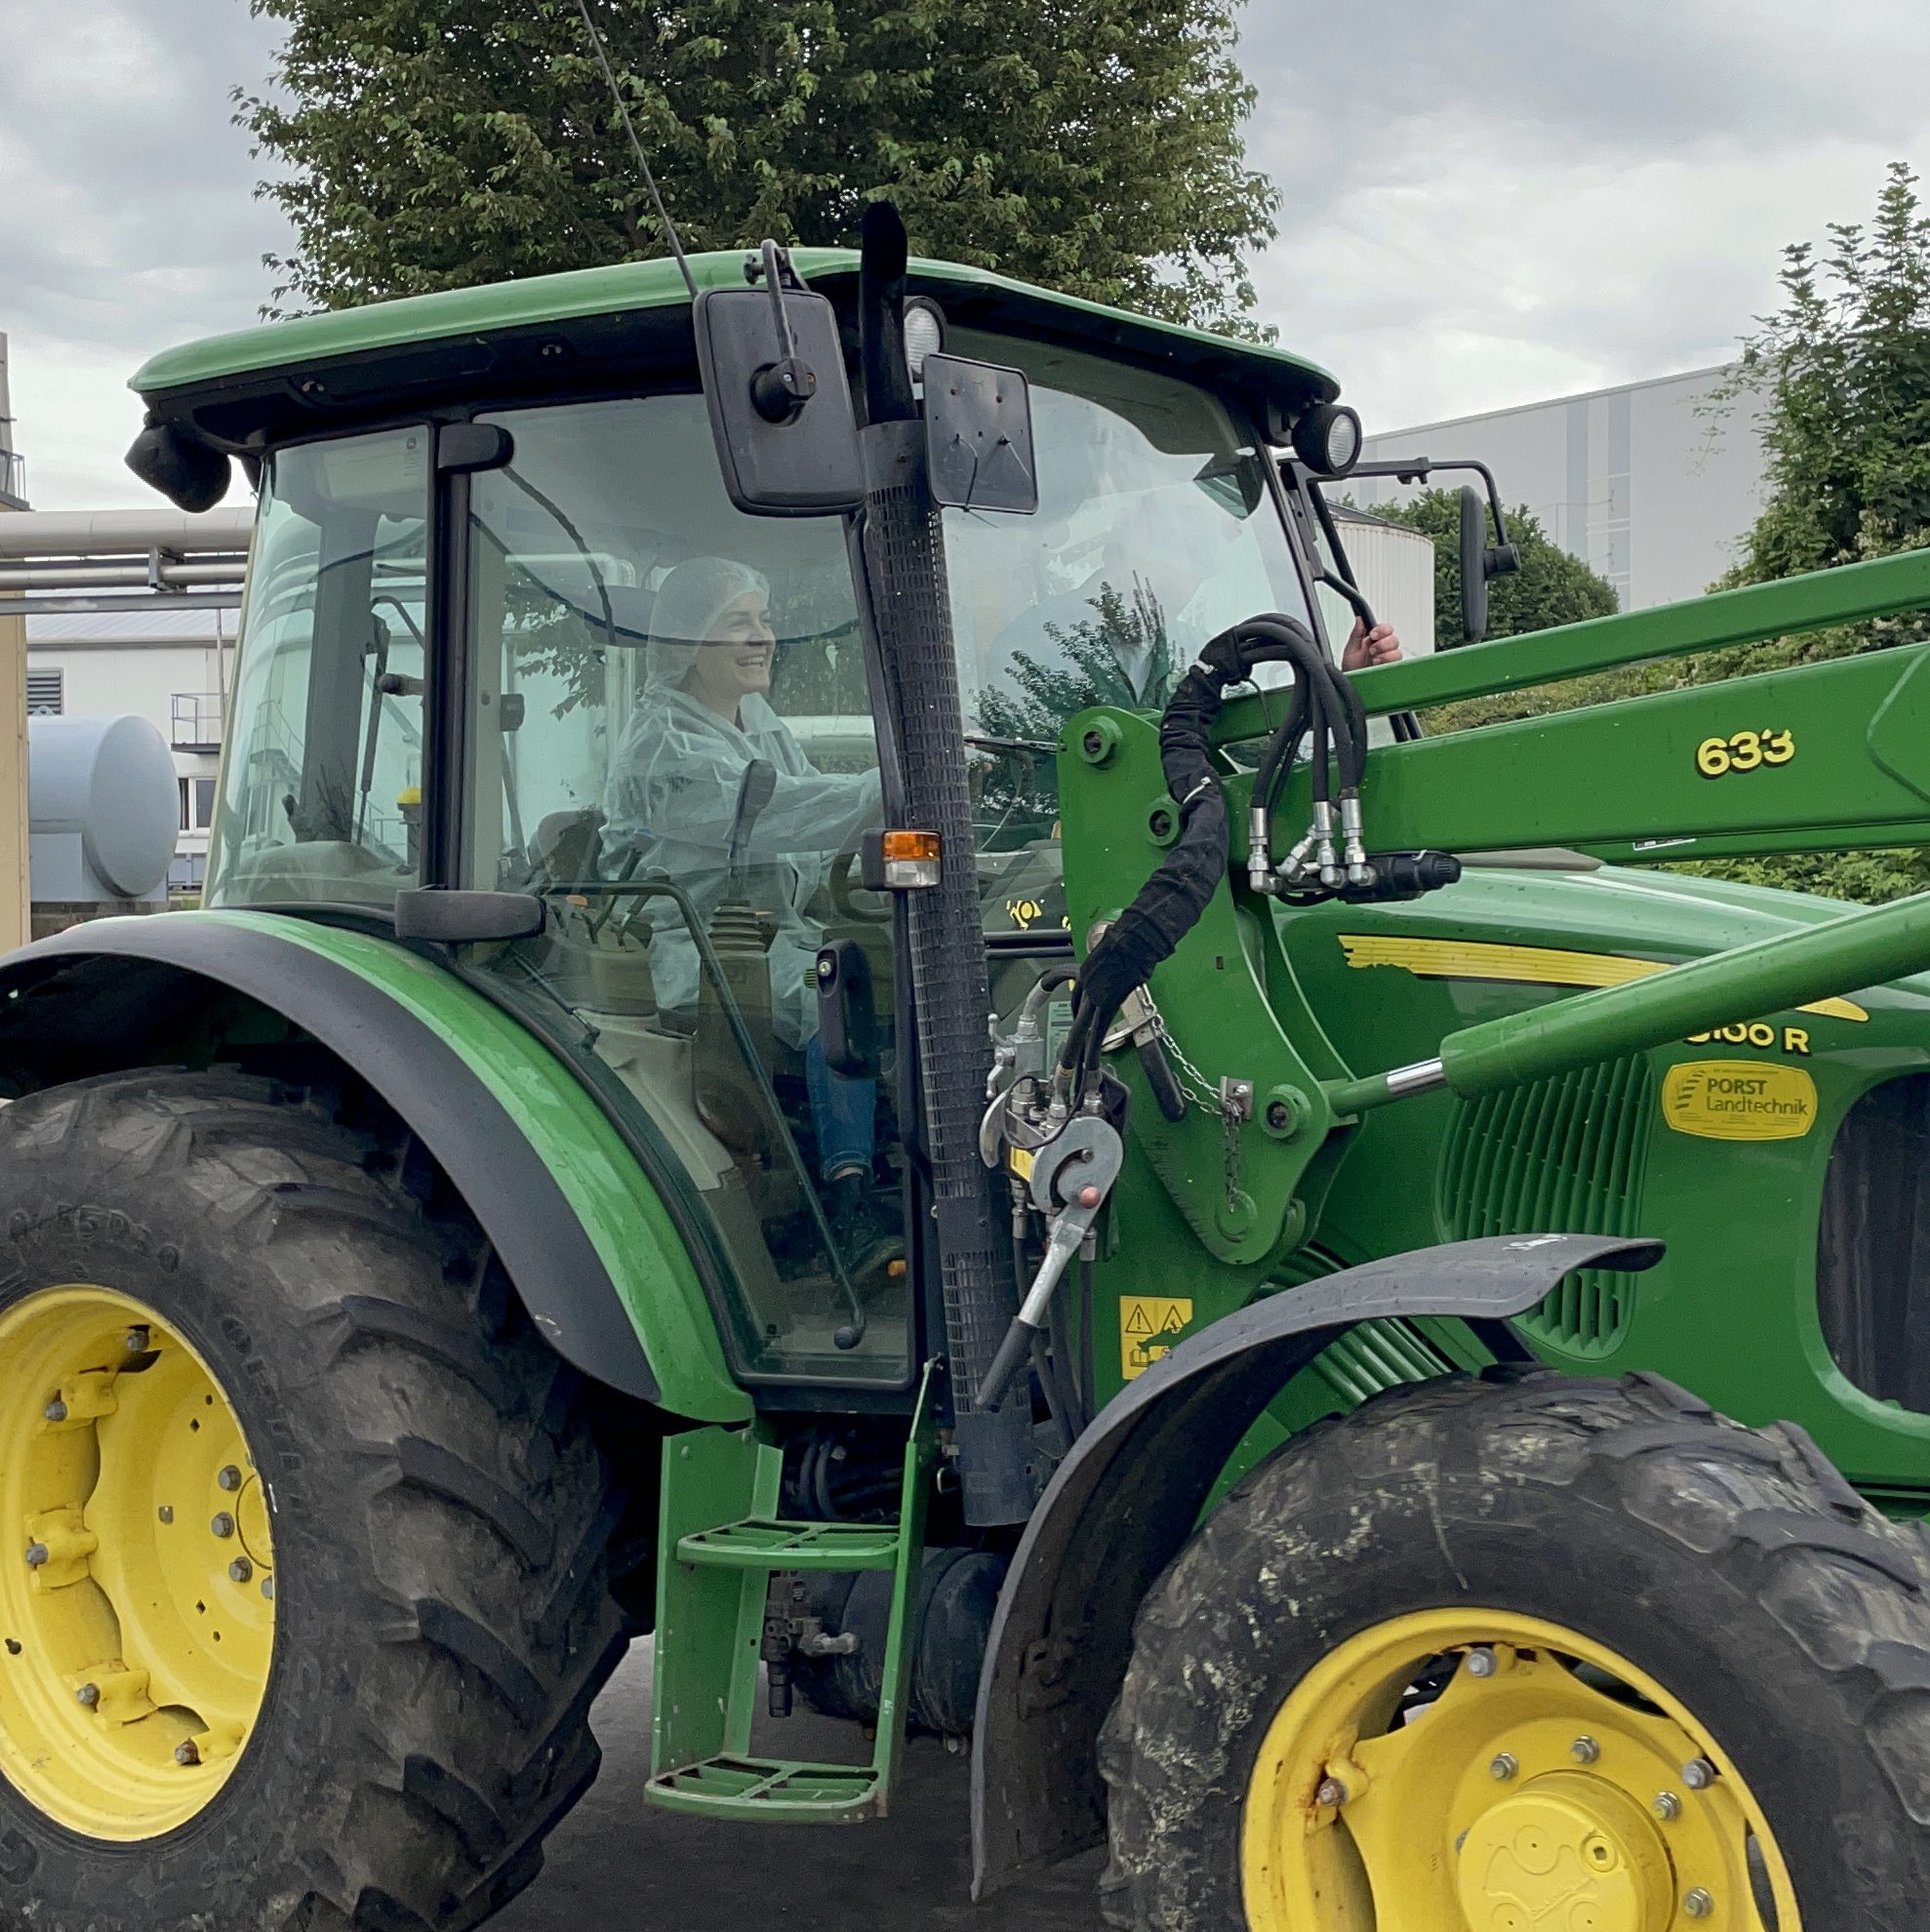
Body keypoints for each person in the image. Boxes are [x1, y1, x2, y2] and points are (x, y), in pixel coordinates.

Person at [602, 557, 891, 1261]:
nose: (761, 637)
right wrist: (899, 785)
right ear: (685, 643)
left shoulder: (754, 722)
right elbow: (783, 812)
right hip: (689, 944)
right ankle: (851, 1208)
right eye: (737, 623)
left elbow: (812, 806)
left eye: (763, 620)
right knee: (833, 994)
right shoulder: (663, 748)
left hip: (768, 936)